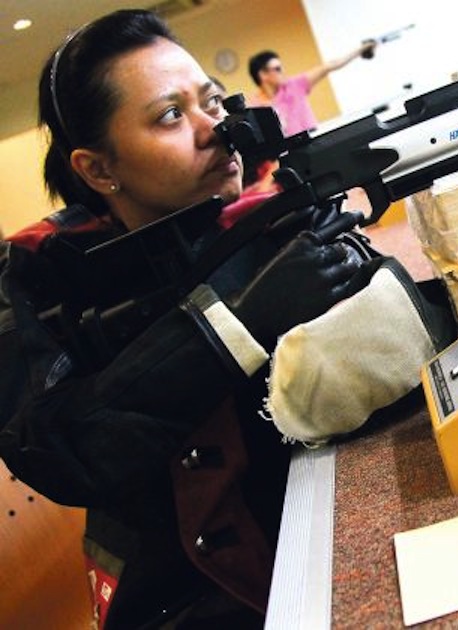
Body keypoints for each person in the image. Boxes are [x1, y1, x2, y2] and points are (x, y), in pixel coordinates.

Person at [0, 10, 378, 628]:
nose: (217, 130)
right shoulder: (39, 273)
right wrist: (238, 322)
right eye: (171, 115)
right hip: (182, 593)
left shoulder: (260, 213)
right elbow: (58, 448)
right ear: (98, 169)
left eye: (212, 101)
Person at [247, 41, 376, 137]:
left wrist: (362, 49)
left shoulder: (294, 85)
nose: (283, 72)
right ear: (263, 74)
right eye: (277, 69)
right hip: (290, 154)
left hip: (315, 140)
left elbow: (330, 66)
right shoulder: (255, 106)